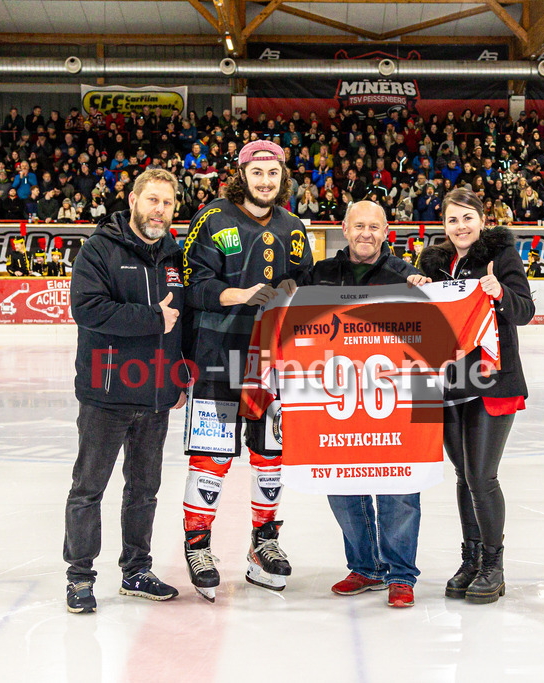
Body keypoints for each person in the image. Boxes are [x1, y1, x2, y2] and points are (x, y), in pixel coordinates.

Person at [181, 139, 314, 601]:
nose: (264, 181)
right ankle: (198, 544)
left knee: (270, 453)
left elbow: (305, 284)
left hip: (273, 361)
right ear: (242, 174)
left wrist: (292, 291)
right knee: (212, 457)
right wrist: (240, 295)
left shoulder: (293, 226)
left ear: (282, 177)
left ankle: (264, 542)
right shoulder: (213, 218)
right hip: (218, 355)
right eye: (257, 173)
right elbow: (192, 285)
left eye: (273, 174)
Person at [64, 168, 188, 613]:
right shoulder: (99, 249)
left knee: (144, 490)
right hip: (106, 392)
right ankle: (79, 576)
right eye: (152, 200)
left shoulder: (176, 256)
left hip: (155, 395)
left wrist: (180, 375)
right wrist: (151, 319)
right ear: (133, 200)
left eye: (168, 203)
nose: (160, 210)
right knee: (89, 488)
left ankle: (136, 569)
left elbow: (183, 323)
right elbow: (88, 309)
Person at [302, 200, 431, 608]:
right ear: (344, 227)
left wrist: (426, 294)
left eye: (374, 227)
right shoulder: (320, 274)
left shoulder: (406, 276)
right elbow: (295, 325)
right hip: (336, 397)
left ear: (386, 230)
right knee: (342, 484)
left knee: (399, 486)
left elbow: (434, 330)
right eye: (359, 226)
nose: (366, 234)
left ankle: (400, 574)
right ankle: (365, 566)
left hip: (395, 399)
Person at [417, 188, 534, 604]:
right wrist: (415, 289)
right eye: (452, 220)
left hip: (492, 380)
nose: (460, 227)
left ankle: (493, 566)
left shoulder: (500, 256)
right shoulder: (433, 262)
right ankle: (470, 560)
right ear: (443, 225)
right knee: (465, 476)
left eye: (468, 218)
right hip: (450, 381)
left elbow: (524, 311)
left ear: (482, 220)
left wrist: (499, 291)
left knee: (482, 476)